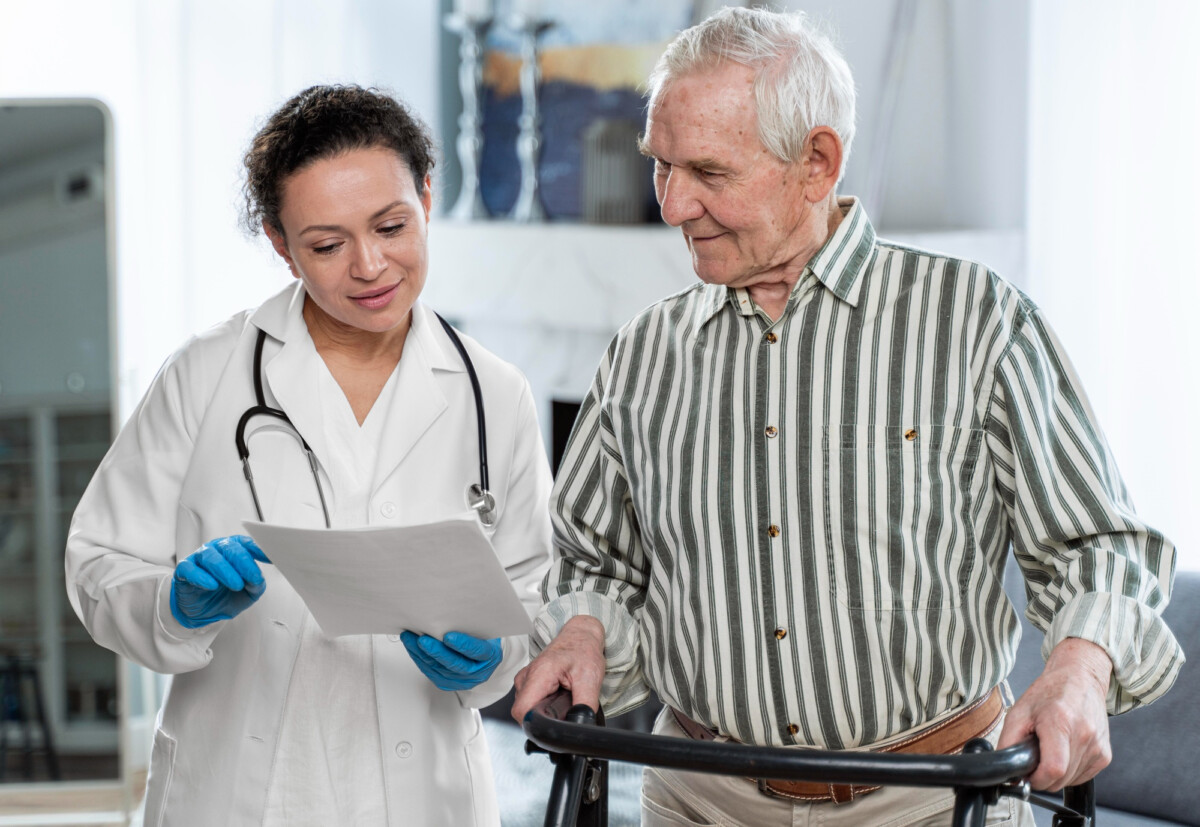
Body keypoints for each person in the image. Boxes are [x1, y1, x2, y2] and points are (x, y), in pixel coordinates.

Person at [511, 8, 1184, 826]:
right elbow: (598, 565)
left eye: (709, 173)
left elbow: (1099, 545)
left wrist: (1079, 665)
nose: (673, 204)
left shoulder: (974, 321)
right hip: (696, 795)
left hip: (930, 802)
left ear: (817, 162)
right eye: (660, 166)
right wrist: (583, 627)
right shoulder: (642, 354)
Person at [65, 85, 552, 826]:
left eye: (391, 225)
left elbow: (532, 599)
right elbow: (97, 561)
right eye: (326, 244)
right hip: (237, 789)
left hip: (420, 794)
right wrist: (173, 603)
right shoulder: (208, 372)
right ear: (280, 243)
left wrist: (496, 658)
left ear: (426, 194)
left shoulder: (495, 394)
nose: (369, 265)